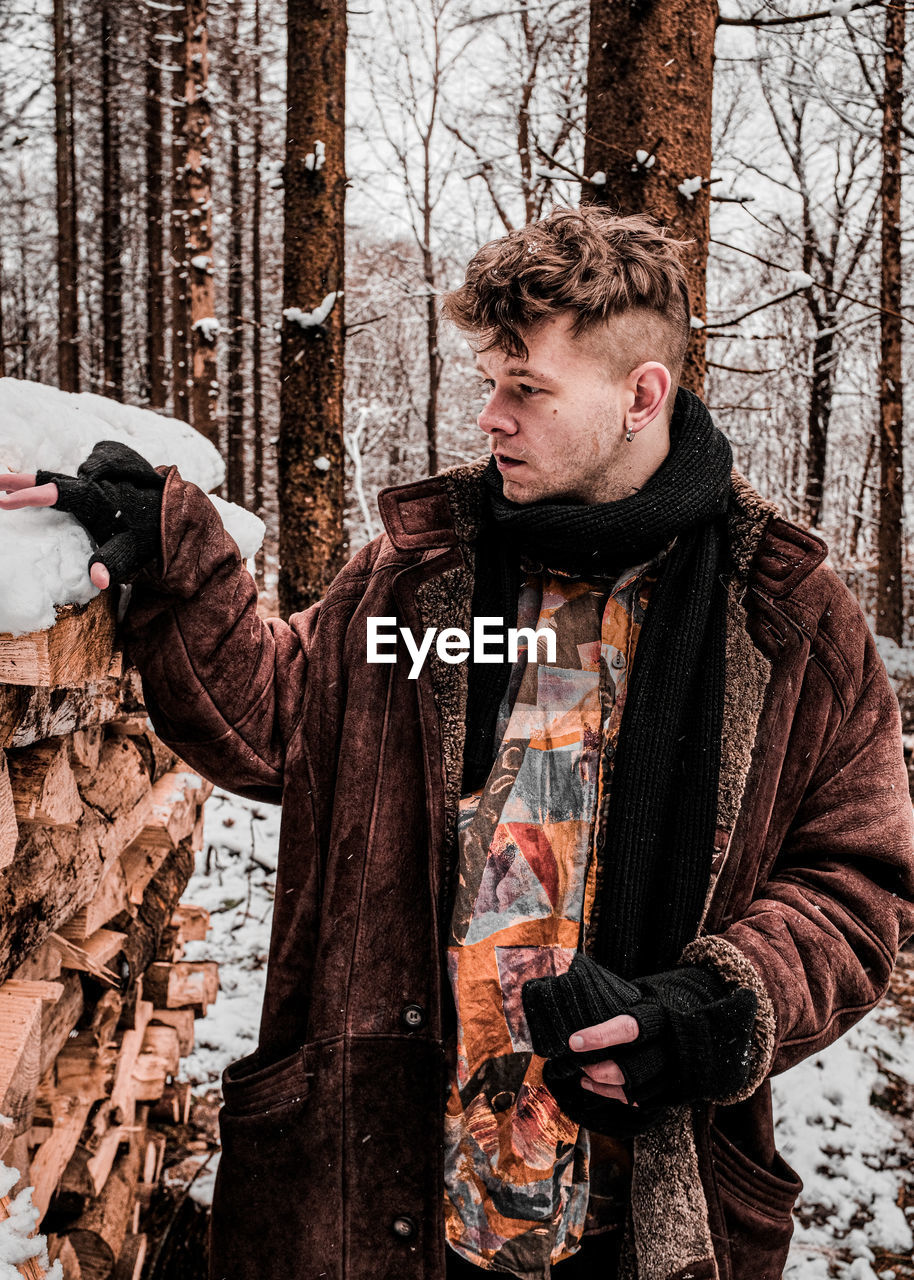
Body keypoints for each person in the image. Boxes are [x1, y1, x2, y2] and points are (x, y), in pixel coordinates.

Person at [2, 208, 913, 1280]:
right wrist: (177, 549)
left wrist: (715, 1008)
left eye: (523, 387)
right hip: (393, 1188)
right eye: (486, 378)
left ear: (640, 394)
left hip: (630, 1212)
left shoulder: (781, 616)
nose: (487, 415)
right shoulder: (419, 575)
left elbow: (857, 881)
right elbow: (282, 718)